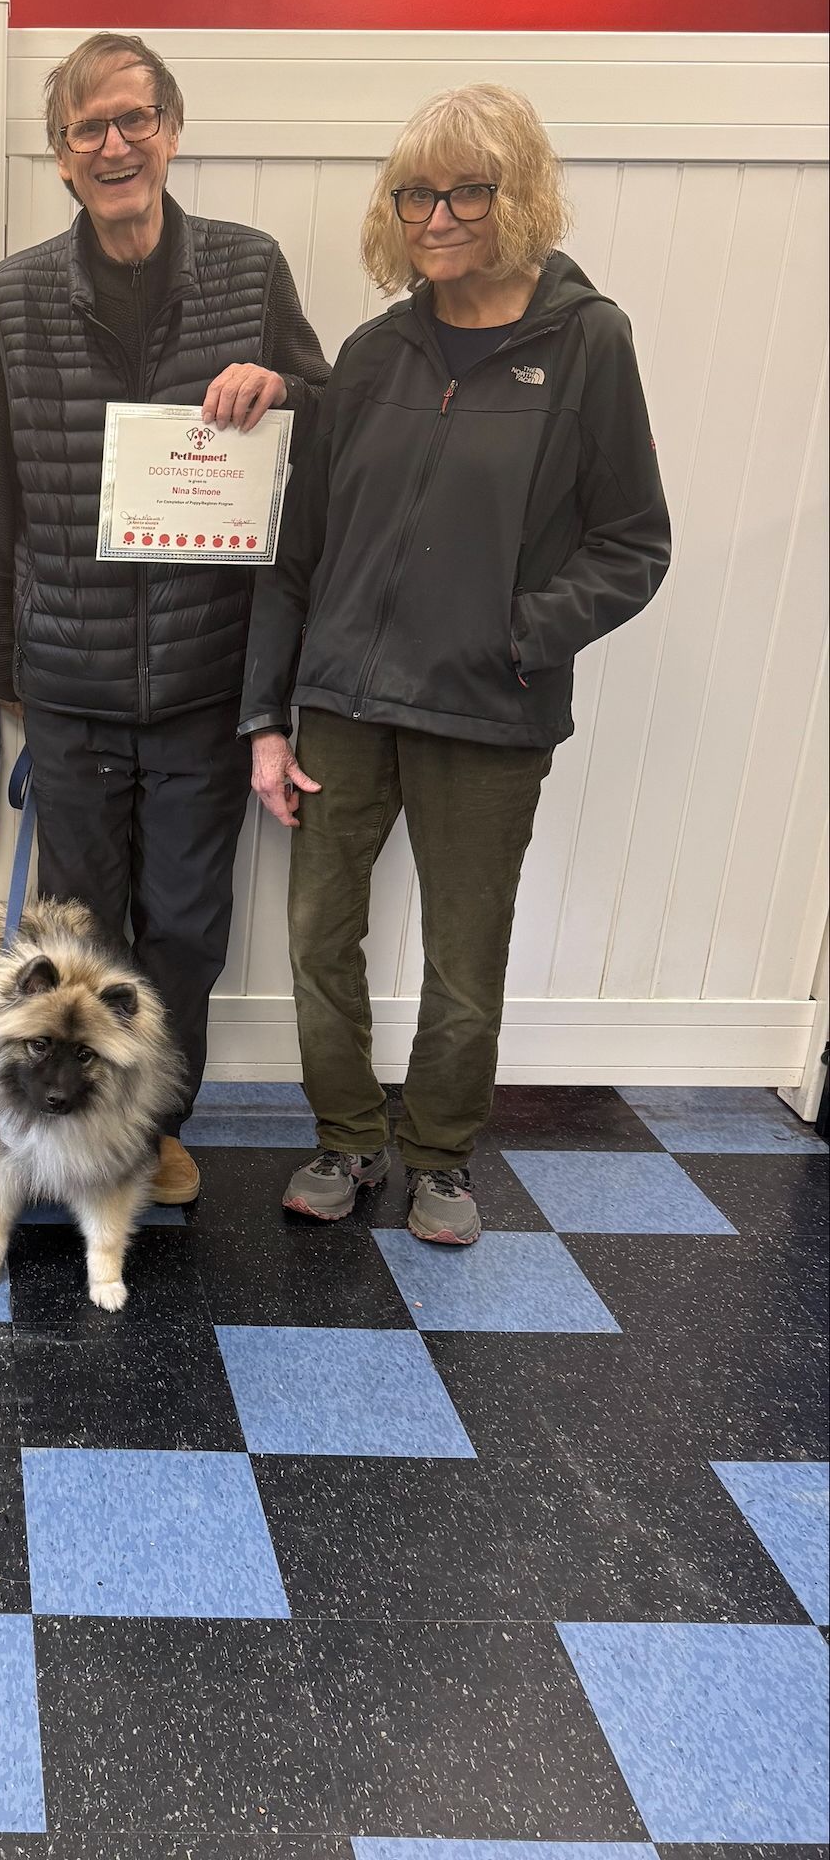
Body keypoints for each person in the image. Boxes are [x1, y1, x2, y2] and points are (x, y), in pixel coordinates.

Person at [242, 83, 670, 1245]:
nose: (436, 217)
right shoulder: (370, 353)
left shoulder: (587, 346)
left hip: (488, 713)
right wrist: (266, 719)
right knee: (317, 940)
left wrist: (518, 634)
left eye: (466, 191)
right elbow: (296, 552)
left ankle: (438, 1156)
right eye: (414, 194)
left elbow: (633, 542)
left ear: (515, 196)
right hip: (342, 705)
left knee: (463, 958)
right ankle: (345, 1136)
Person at [0, 30, 332, 1204]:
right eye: (88, 128)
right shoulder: (12, 298)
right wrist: (5, 664)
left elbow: (328, 430)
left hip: (204, 683)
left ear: (170, 131)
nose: (114, 144)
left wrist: (284, 389)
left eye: (135, 119)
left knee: (184, 931)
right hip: (66, 685)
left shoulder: (249, 271)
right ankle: (82, 1134)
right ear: (61, 156)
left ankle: (156, 1127)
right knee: (80, 933)